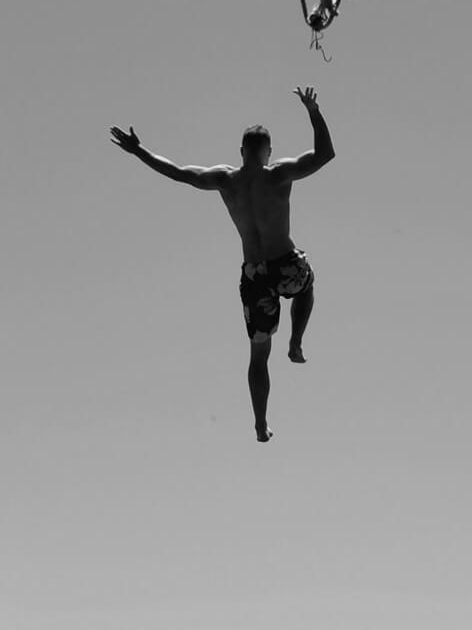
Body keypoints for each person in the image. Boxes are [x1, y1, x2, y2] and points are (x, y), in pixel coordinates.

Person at [110, 87, 335, 441]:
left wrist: (139, 152)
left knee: (259, 355)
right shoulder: (279, 174)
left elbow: (179, 172)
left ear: (241, 151)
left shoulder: (225, 179)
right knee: (306, 283)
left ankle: (260, 423)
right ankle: (296, 343)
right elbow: (325, 154)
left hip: (255, 275)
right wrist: (313, 111)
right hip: (284, 264)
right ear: (268, 151)